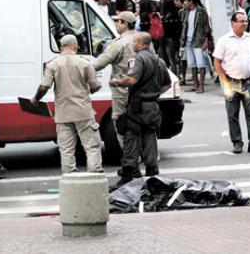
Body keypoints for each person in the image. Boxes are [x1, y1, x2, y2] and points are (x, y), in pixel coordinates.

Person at [32, 35, 103, 173]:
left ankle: (70, 176)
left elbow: (44, 87)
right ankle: (95, 174)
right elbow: (95, 86)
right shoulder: (85, 63)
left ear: (60, 48)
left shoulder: (52, 65)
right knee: (91, 146)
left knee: (66, 149)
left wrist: (35, 99)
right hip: (83, 112)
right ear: (75, 46)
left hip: (63, 113)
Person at [110, 32, 171, 186]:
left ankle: (128, 174)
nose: (132, 44)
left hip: (138, 106)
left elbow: (131, 79)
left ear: (143, 44)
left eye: (135, 42)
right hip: (153, 106)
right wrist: (154, 94)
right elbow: (167, 84)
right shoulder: (159, 61)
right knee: (150, 137)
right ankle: (152, 173)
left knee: (131, 137)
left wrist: (116, 82)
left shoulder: (139, 58)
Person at [214, 12, 250, 155]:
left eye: (246, 21)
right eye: (241, 21)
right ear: (233, 23)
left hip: (249, 81)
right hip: (231, 82)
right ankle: (237, 142)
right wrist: (224, 80)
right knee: (232, 115)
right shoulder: (224, 40)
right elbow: (217, 62)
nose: (244, 23)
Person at [93, 11, 138, 150]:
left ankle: (129, 155)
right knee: (138, 122)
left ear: (125, 24)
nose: (116, 24)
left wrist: (83, 68)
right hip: (140, 89)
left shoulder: (119, 43)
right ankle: (140, 153)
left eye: (118, 21)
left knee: (120, 123)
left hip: (122, 89)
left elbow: (100, 62)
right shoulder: (142, 40)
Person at [180, 0, 212, 93]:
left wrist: (206, 41)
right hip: (188, 40)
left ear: (191, 1)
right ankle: (195, 84)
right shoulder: (185, 12)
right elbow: (184, 26)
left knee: (200, 63)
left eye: (185, 0)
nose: (184, 2)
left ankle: (201, 86)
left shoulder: (201, 11)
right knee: (191, 63)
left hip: (199, 40)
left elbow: (206, 27)